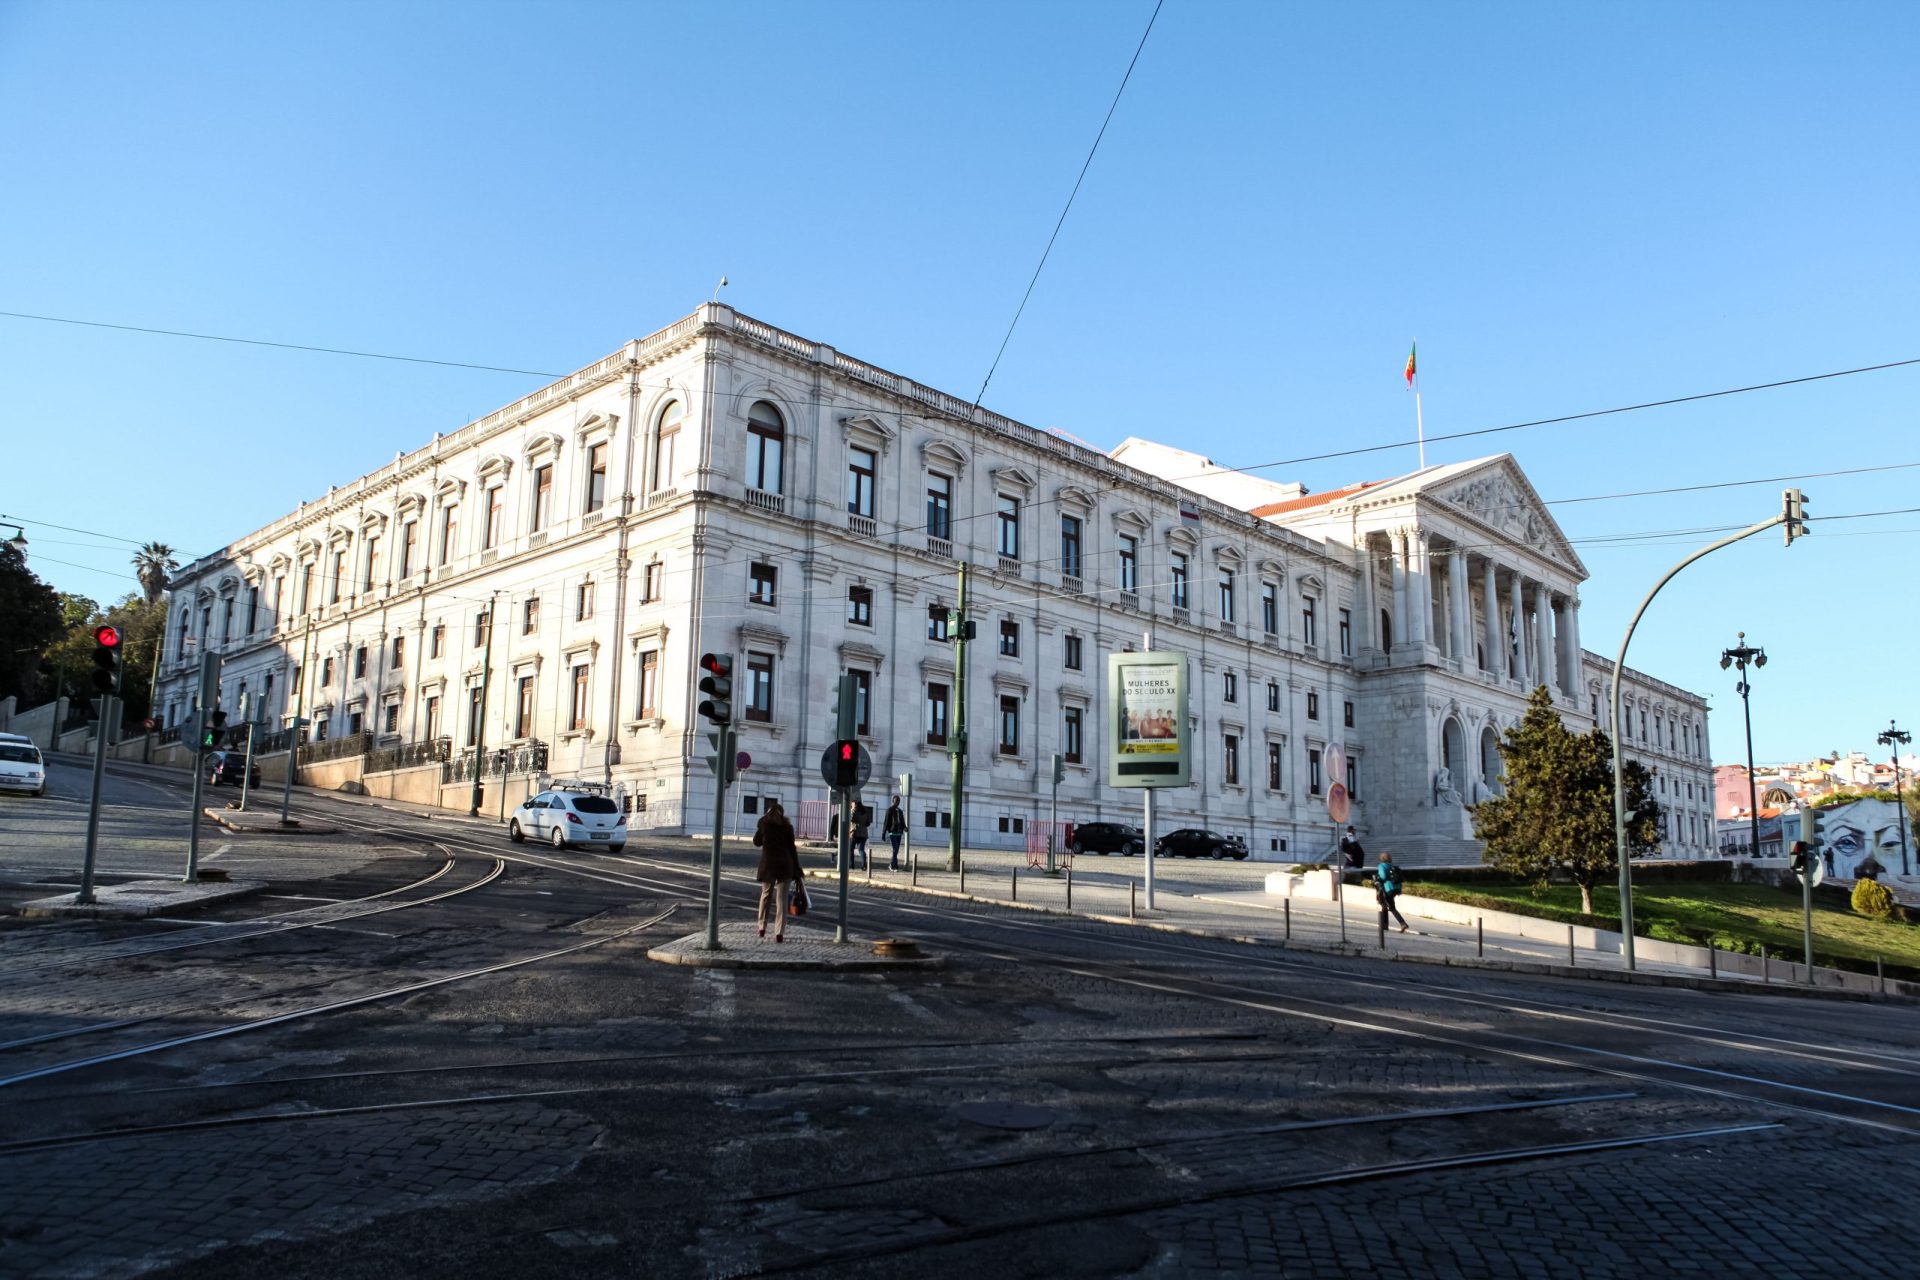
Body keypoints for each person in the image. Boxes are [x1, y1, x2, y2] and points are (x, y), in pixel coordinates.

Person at [752, 800, 800, 942]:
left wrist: (762, 823)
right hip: (785, 865)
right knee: (782, 900)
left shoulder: (764, 825)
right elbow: (792, 849)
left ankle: (762, 927)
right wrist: (797, 868)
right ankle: (779, 933)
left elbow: (756, 842)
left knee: (766, 896)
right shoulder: (787, 827)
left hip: (769, 865)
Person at [1376, 851, 1410, 933]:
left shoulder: (1382, 866)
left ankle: (1403, 923)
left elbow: (1383, 876)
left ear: (1382, 858)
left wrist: (1378, 878)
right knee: (1385, 905)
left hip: (1388, 888)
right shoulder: (1392, 866)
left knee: (1391, 907)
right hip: (1396, 888)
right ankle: (1385, 925)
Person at [883, 796, 907, 870]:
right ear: (893, 801)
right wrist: (883, 833)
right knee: (895, 849)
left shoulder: (900, 811)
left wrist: (905, 827)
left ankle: (895, 865)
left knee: (896, 850)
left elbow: (902, 821)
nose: (897, 802)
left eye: (898, 801)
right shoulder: (889, 810)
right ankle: (892, 865)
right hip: (892, 832)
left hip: (899, 832)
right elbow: (886, 822)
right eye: (896, 801)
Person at [850, 801, 872, 870]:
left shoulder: (853, 812)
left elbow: (850, 820)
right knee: (861, 849)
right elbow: (868, 823)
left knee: (851, 849)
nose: (852, 807)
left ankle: (851, 864)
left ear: (855, 806)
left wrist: (851, 811)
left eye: (852, 805)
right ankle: (864, 865)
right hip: (864, 833)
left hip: (855, 832)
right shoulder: (865, 813)